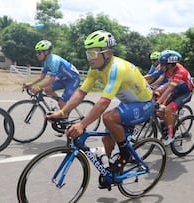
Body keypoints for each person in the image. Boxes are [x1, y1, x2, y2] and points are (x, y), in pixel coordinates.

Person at [47, 30, 154, 178]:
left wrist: (82, 125)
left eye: (93, 54)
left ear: (107, 53)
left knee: (109, 117)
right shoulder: (96, 69)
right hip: (129, 104)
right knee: (106, 139)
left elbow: (103, 103)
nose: (89, 58)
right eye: (87, 53)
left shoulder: (116, 68)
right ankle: (114, 172)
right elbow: (80, 93)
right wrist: (62, 112)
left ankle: (125, 153)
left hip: (144, 105)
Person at [23, 40, 80, 109]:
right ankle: (62, 105)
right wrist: (31, 83)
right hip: (63, 79)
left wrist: (38, 88)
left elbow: (51, 80)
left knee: (62, 102)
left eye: (39, 52)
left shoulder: (54, 61)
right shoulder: (46, 61)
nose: (37, 55)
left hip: (73, 79)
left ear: (46, 52)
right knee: (47, 90)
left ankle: (63, 115)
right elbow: (42, 76)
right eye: (37, 52)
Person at [154, 50, 194, 145]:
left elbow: (169, 89)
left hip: (186, 93)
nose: (160, 66)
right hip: (176, 90)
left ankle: (171, 135)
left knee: (168, 109)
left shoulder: (180, 71)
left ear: (171, 65)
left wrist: (158, 102)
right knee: (160, 112)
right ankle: (168, 126)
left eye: (162, 64)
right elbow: (152, 76)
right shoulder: (167, 69)